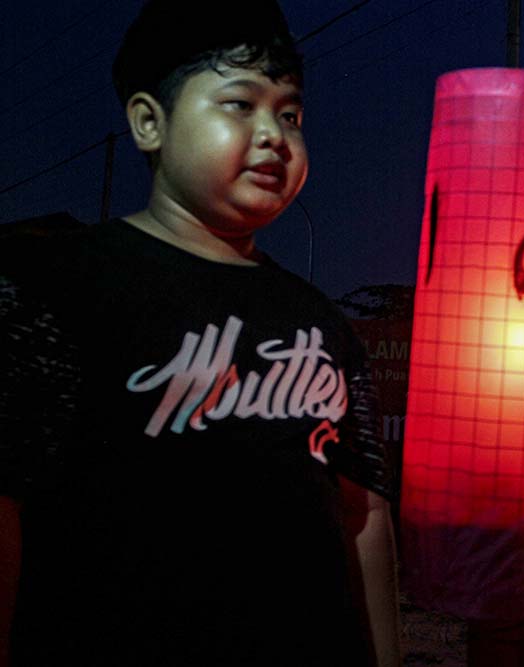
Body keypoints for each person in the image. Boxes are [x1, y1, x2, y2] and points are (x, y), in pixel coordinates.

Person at [0, 1, 401, 665]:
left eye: (290, 113)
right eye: (240, 104)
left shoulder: (319, 321)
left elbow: (365, 515)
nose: (273, 133)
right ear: (149, 122)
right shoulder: (58, 289)